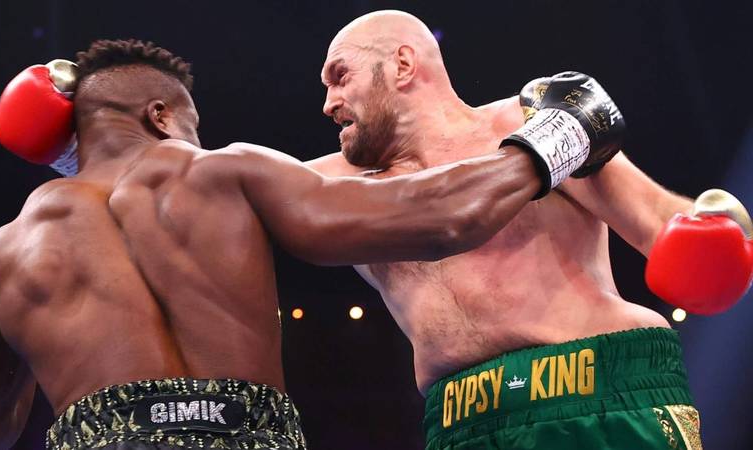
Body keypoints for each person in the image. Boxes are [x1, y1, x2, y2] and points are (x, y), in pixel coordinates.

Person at [0, 37, 618, 450]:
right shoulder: (220, 173)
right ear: (160, 116)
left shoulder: (6, 255)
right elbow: (442, 217)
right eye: (191, 125)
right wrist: (564, 133)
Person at [309, 10, 752, 450]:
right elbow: (258, 184)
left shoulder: (535, 122)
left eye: (340, 77)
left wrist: (720, 233)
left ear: (403, 64)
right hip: (459, 420)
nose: (329, 103)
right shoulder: (329, 188)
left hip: (600, 395)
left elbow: (657, 222)